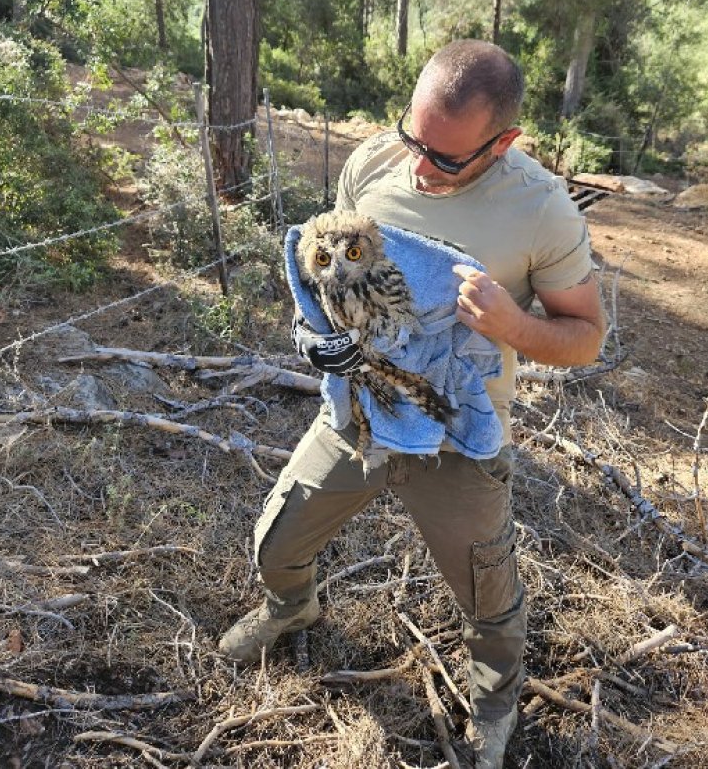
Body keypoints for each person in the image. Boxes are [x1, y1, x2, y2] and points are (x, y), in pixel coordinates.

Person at [219, 40, 605, 768]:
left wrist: (511, 326)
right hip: (362, 411)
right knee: (276, 544)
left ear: (506, 142)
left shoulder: (542, 210)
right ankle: (290, 606)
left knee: (488, 600)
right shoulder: (372, 162)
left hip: (457, 436)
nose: (420, 167)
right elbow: (327, 267)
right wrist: (315, 334)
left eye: (447, 158)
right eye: (412, 137)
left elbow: (586, 338)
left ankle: (494, 707)